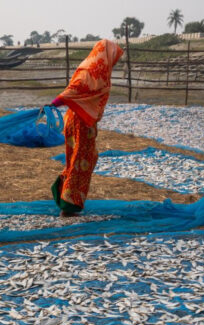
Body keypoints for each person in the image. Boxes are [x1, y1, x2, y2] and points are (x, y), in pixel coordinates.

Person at [48, 39, 124, 217]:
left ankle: (66, 196)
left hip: (84, 122)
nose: (115, 61)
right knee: (79, 161)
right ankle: (68, 203)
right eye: (114, 56)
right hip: (79, 123)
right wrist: (53, 104)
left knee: (83, 159)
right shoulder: (91, 70)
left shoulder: (99, 69)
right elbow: (73, 90)